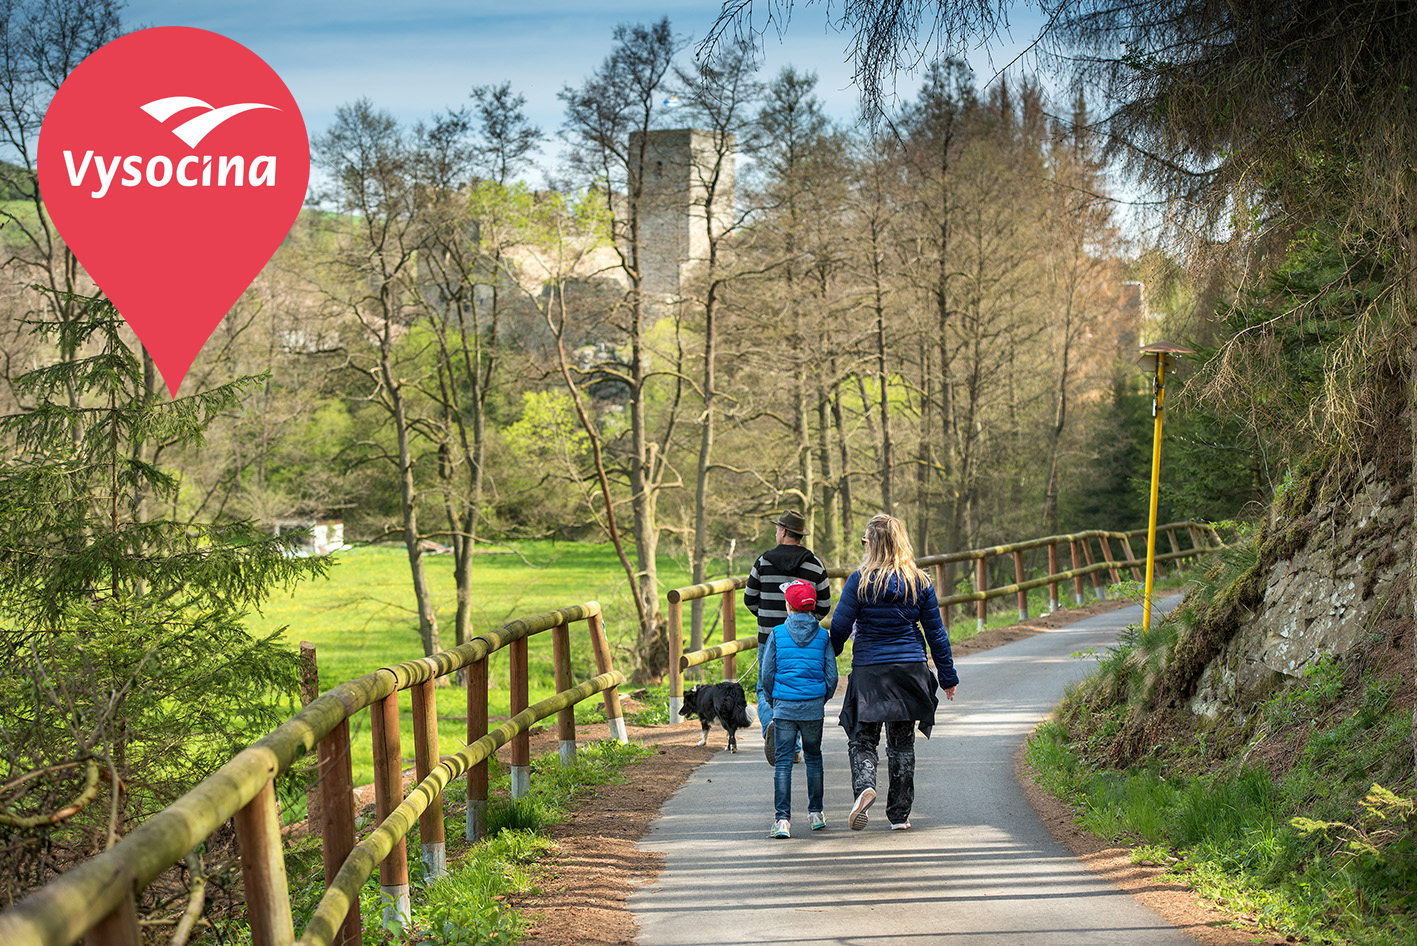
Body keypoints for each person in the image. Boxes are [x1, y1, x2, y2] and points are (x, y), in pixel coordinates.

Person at [829, 513, 958, 831]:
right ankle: (899, 815)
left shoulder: (859, 581)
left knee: (863, 739)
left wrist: (828, 656)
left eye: (865, 541)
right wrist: (947, 677)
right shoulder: (919, 581)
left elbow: (840, 627)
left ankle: (865, 786)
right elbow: (936, 633)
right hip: (909, 671)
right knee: (902, 744)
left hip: (870, 671)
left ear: (872, 545)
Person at [743, 510, 831, 764]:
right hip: (805, 642)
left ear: (783, 532)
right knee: (798, 686)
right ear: (799, 535)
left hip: (768, 636)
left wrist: (766, 619)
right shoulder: (815, 564)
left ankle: (773, 725)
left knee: (766, 686)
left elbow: (749, 599)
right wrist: (806, 624)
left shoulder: (763, 562)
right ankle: (792, 747)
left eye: (776, 529)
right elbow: (824, 605)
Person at [761, 579, 838, 838]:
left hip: (784, 707)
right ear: (812, 606)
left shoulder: (777, 634)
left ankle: (782, 820)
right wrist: (821, 698)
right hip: (813, 707)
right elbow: (832, 676)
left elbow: (767, 674)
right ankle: (816, 813)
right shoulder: (823, 636)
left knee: (783, 762)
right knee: (814, 758)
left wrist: (773, 701)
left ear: (788, 606)